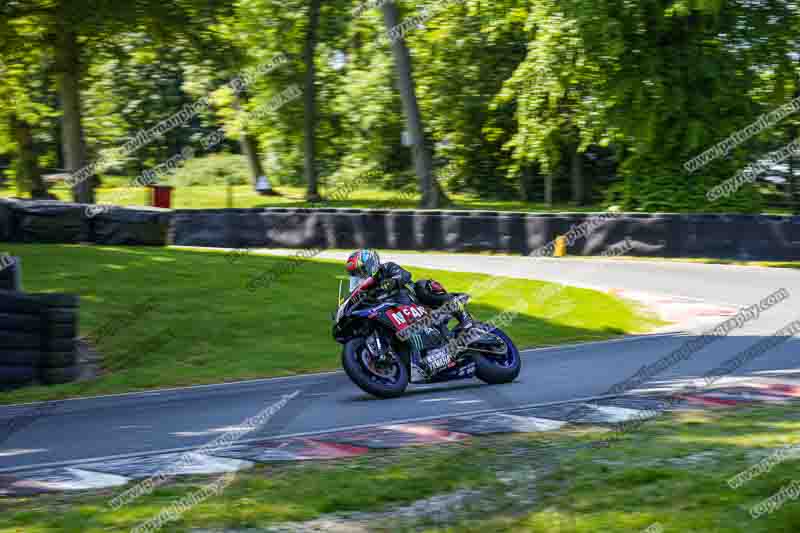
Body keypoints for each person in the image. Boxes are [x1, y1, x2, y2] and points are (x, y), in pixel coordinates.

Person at [344, 249, 472, 381]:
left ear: (371, 265)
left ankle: (465, 320)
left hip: (415, 302)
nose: (360, 277)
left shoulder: (387, 268)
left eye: (361, 271)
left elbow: (405, 275)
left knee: (423, 286)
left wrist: (393, 281)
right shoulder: (366, 291)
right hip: (400, 317)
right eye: (356, 275)